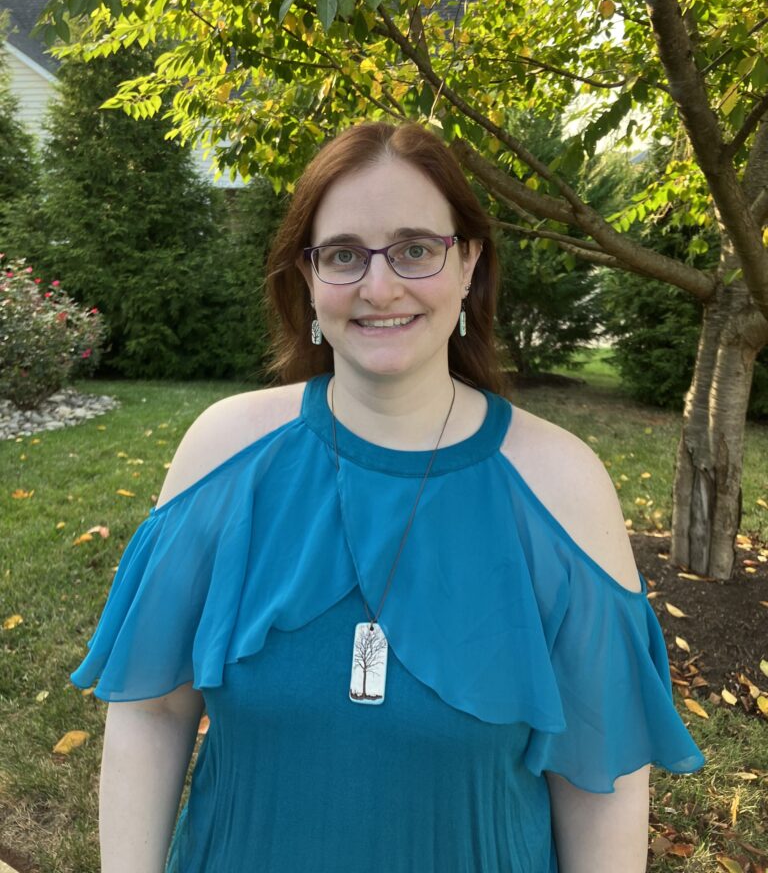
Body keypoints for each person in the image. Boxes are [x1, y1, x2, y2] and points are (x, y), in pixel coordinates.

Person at [71, 121, 706, 873]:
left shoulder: (563, 487)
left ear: (468, 261)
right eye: (343, 254)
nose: (380, 286)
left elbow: (601, 784)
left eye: (415, 248)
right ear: (306, 277)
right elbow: (152, 713)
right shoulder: (224, 455)